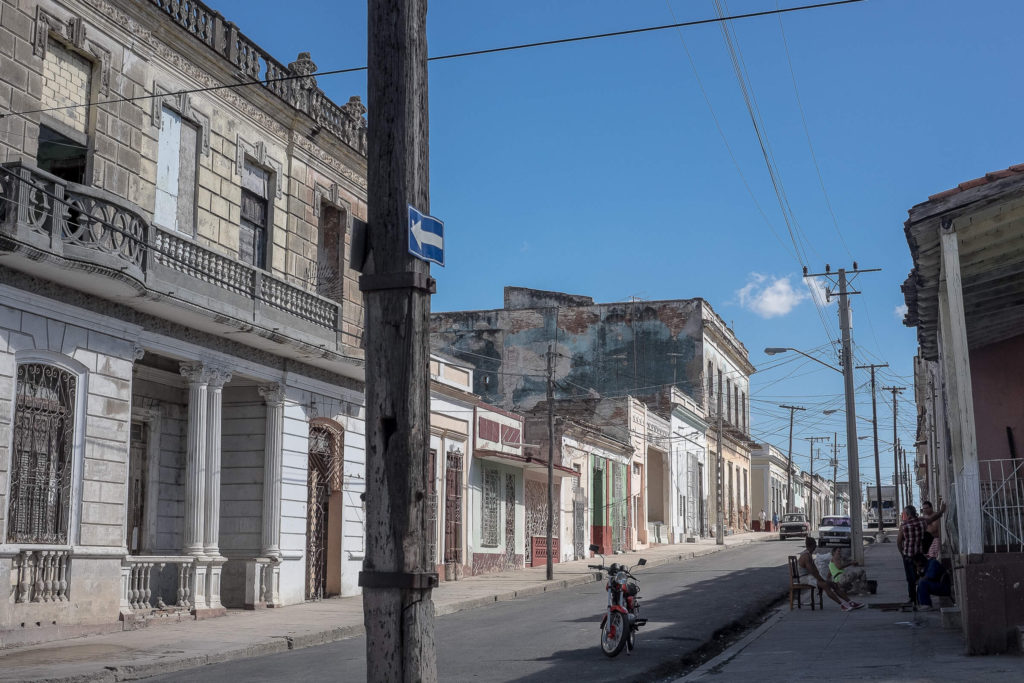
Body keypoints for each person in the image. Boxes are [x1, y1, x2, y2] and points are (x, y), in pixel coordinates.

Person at [797, 537, 863, 612]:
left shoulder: (809, 555)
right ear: (812, 545)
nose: (816, 546)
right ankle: (842, 605)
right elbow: (812, 571)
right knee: (825, 585)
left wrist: (821, 579)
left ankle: (850, 602)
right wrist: (821, 580)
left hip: (811, 577)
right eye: (815, 544)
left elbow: (815, 570)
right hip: (805, 578)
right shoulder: (806, 556)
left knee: (834, 584)